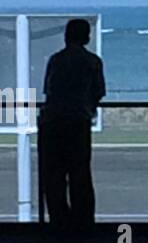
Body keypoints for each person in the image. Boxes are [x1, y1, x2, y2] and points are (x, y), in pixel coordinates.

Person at [39, 18, 105, 230]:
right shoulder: (92, 61)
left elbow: (49, 91)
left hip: (52, 122)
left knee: (54, 175)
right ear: (86, 37)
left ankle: (59, 222)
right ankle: (83, 222)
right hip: (78, 121)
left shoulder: (56, 60)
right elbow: (98, 92)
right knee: (80, 174)